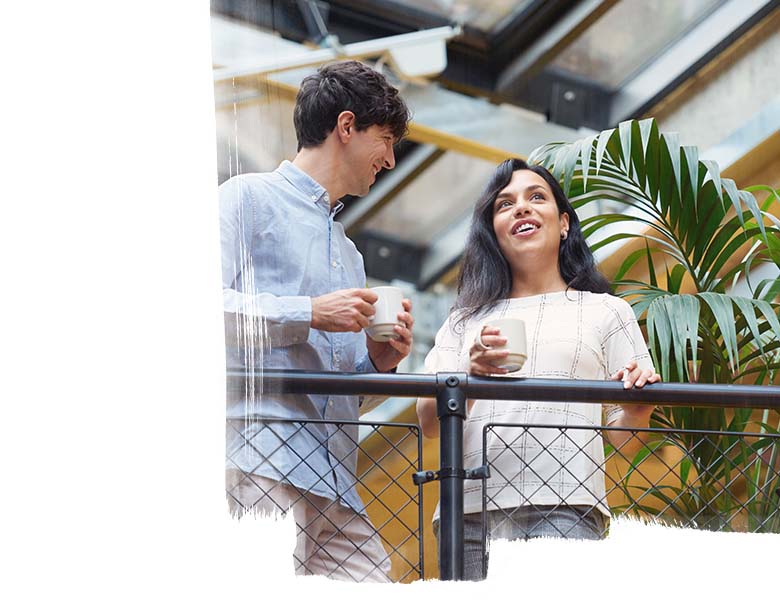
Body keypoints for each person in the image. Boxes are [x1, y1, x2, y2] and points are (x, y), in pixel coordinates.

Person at [416, 158, 660, 580]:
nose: (521, 208)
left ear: (564, 222)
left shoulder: (606, 311)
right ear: (493, 230)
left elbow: (625, 443)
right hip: (469, 509)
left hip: (566, 504)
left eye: (536, 198)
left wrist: (638, 410)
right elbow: (427, 422)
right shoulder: (462, 320)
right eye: (504, 204)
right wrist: (468, 376)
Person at [220, 60, 414, 582]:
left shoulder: (350, 255)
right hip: (262, 460)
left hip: (335, 479)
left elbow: (345, 388)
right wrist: (310, 313)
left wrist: (379, 361)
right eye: (387, 140)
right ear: (346, 127)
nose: (392, 160)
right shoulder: (247, 197)